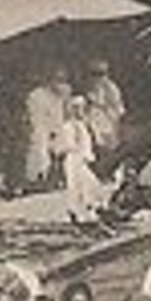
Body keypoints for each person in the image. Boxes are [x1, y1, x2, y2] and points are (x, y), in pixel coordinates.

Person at [59, 94, 109, 231]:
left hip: (82, 159)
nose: (81, 111)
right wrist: (82, 154)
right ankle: (78, 213)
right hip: (74, 159)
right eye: (78, 108)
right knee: (77, 186)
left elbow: (88, 142)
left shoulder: (82, 125)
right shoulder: (69, 126)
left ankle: (86, 212)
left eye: (83, 108)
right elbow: (70, 144)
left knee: (90, 185)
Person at [84, 60, 126, 156]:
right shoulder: (92, 87)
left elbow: (117, 107)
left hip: (107, 115)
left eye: (101, 74)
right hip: (94, 115)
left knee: (107, 136)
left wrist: (99, 104)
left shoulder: (111, 88)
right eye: (94, 75)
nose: (97, 78)